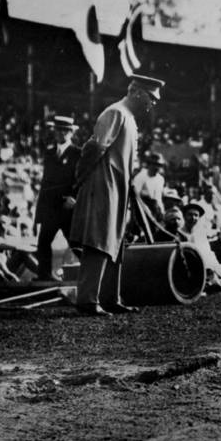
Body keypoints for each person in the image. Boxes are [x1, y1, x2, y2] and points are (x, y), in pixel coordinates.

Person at [69, 74, 165, 316]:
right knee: (99, 241)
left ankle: (111, 298)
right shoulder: (116, 113)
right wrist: (79, 178)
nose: (153, 103)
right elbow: (95, 147)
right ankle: (88, 300)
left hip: (119, 186)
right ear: (136, 92)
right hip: (104, 184)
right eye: (151, 98)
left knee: (116, 242)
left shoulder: (129, 118)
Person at [34, 115, 81, 281]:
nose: (61, 133)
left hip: (68, 208)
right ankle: (44, 277)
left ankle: (94, 276)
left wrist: (75, 198)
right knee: (43, 243)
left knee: (76, 244)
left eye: (65, 130)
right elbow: (45, 184)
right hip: (51, 209)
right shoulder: (49, 153)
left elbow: (83, 179)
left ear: (71, 133)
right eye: (58, 130)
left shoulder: (78, 153)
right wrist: (38, 216)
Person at [132, 152, 166, 220]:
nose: (156, 167)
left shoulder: (160, 179)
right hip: (141, 205)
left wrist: (162, 211)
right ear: (149, 164)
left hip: (154, 207)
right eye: (154, 164)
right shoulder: (141, 176)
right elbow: (135, 195)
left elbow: (158, 198)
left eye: (159, 165)